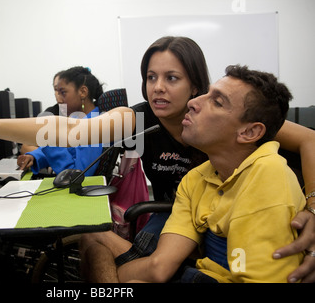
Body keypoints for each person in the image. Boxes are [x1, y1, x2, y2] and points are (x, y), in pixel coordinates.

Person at [0, 37, 315, 283]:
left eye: (172, 78)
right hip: (180, 212)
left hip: (222, 220)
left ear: (196, 83)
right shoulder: (136, 119)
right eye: (151, 77)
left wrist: (313, 206)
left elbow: (310, 141)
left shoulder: (227, 123)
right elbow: (65, 130)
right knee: (98, 238)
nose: (158, 88)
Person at [117, 65, 305, 282]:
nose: (192, 102)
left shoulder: (269, 173)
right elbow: (158, 267)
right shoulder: (196, 178)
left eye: (217, 102)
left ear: (249, 132)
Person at [17, 66, 104, 176]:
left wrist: (49, 140)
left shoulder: (95, 126)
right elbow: (67, 153)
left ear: (83, 92)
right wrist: (34, 157)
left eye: (63, 93)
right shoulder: (77, 119)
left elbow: (80, 175)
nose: (58, 99)